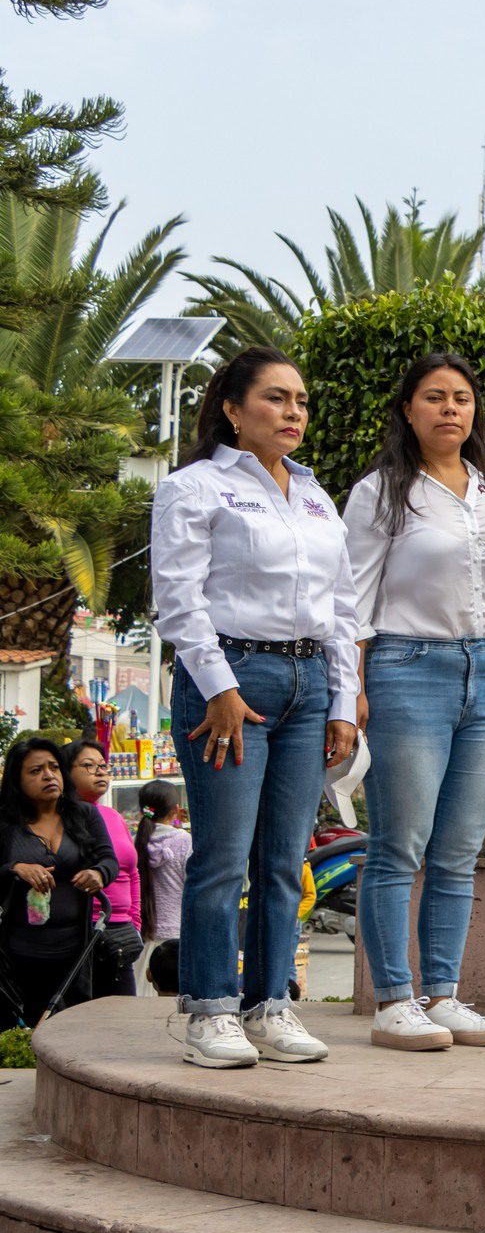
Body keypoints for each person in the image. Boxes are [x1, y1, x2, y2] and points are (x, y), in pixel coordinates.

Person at [150, 346, 359, 1068]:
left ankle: (269, 1003)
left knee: (282, 859)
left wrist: (341, 698)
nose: (293, 411)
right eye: (275, 398)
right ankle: (210, 1008)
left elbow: (340, 606)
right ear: (233, 409)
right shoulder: (195, 487)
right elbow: (177, 598)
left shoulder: (314, 494)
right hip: (230, 682)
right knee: (221, 855)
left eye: (300, 399)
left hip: (307, 685)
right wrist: (219, 686)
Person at [344, 352, 485, 1052]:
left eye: (461, 397)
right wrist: (353, 685)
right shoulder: (382, 492)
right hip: (405, 666)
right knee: (400, 845)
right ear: (408, 410)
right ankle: (394, 997)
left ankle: (444, 994)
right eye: (434, 397)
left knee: (459, 851)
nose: (451, 409)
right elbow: (353, 600)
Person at [0, 738, 117, 1028]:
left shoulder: (85, 815)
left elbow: (108, 858)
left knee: (72, 1030)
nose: (49, 775)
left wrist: (98, 874)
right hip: (18, 953)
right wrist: (16, 868)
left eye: (53, 767)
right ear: (17, 780)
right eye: (36, 770)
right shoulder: (6, 824)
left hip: (76, 951)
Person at [59, 739, 142, 997]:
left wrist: (135, 921)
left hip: (120, 935)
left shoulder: (114, 817)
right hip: (83, 934)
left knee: (121, 1015)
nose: (100, 772)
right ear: (65, 772)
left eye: (103, 766)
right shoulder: (58, 819)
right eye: (88, 765)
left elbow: (133, 873)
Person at [133, 780, 188, 946]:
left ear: (143, 811)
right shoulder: (184, 840)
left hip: (140, 933)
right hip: (176, 932)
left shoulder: (135, 841)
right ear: (176, 810)